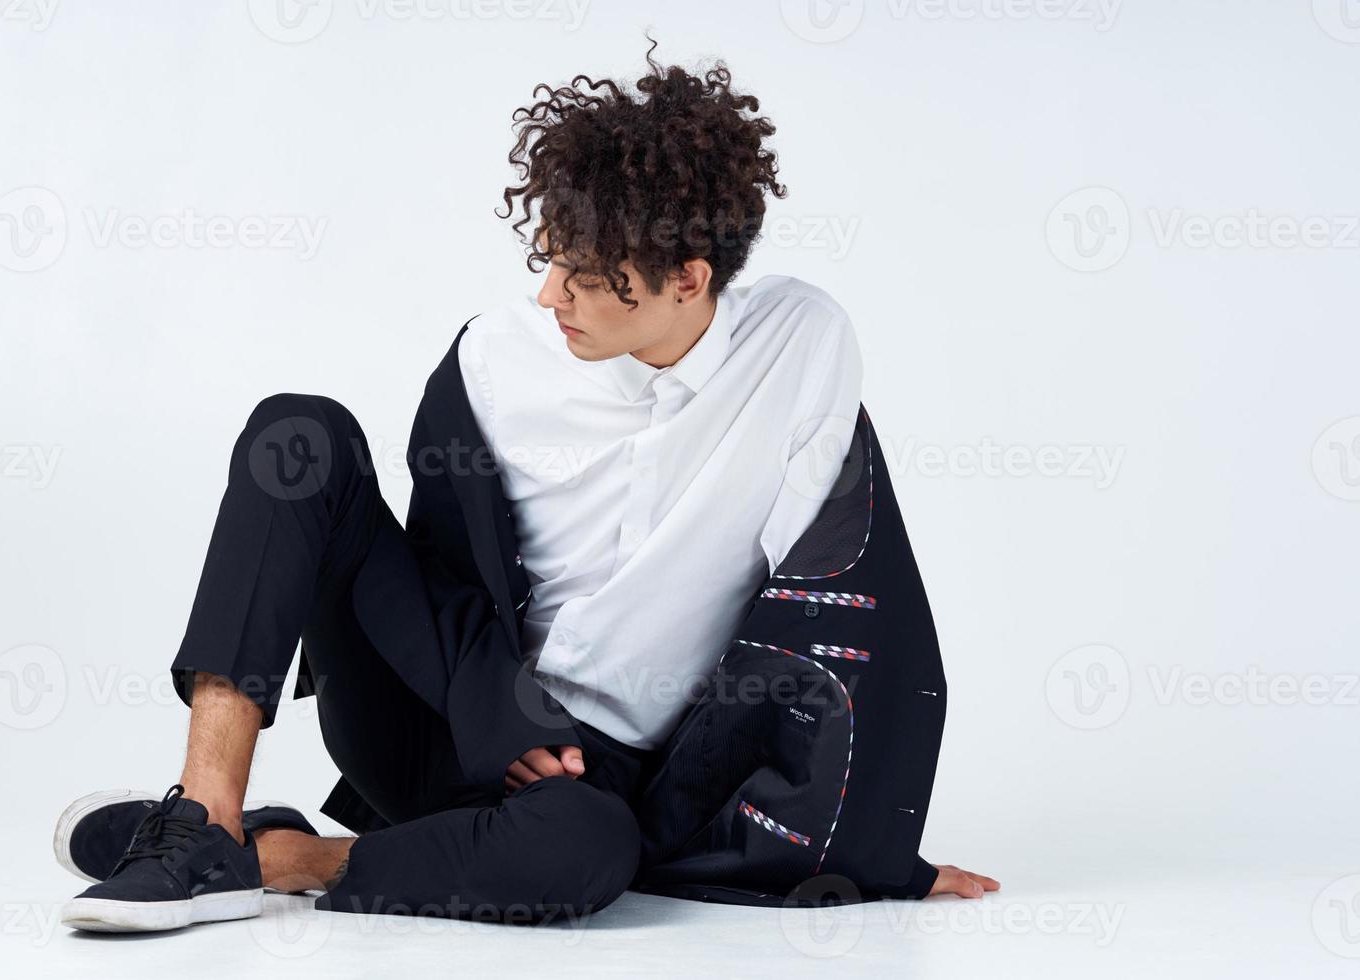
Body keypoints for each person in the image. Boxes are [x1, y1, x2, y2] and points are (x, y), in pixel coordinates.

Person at [54, 42, 999, 934]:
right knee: (297, 432)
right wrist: (501, 710)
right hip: (445, 711)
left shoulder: (803, 348)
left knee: (591, 856)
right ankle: (203, 824)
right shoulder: (496, 362)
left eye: (587, 279)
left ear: (687, 278)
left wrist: (873, 853)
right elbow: (429, 578)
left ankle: (286, 859)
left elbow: (849, 592)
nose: (553, 297)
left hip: (595, 780)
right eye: (550, 261)